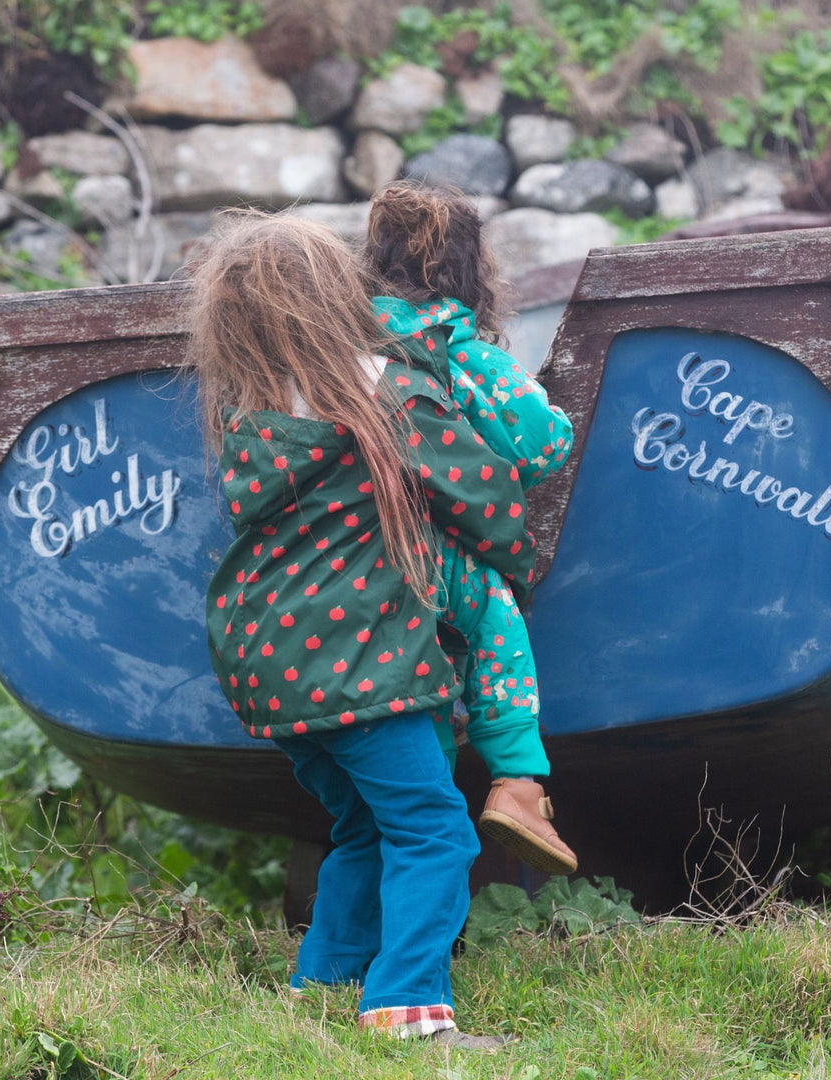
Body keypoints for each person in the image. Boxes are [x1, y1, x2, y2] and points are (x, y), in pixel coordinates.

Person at [185, 209, 536, 1047]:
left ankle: (324, 986)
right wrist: (501, 564)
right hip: (363, 659)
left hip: (262, 657)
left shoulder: (248, 412)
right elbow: (482, 495)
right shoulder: (380, 386)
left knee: (364, 827)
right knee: (434, 831)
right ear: (339, 295)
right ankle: (409, 1011)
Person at [364, 180, 578, 876]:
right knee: (491, 611)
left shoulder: (340, 342)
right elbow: (542, 444)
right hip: (426, 551)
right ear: (472, 268)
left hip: (338, 550)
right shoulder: (460, 353)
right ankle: (517, 781)